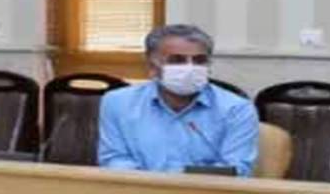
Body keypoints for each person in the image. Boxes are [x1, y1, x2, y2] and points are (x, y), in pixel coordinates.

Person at [98, 24, 258, 175]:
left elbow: (236, 169)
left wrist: (178, 183)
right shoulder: (118, 102)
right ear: (152, 66)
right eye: (177, 60)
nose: (190, 68)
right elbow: (113, 159)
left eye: (199, 61)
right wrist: (152, 185)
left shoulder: (236, 108)